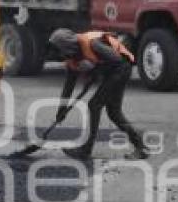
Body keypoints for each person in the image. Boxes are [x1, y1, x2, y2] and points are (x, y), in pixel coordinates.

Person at [48, 29, 148, 160]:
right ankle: (141, 146)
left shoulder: (93, 44)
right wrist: (61, 110)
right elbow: (68, 87)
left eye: (59, 50)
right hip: (113, 71)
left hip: (121, 68)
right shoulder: (72, 59)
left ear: (68, 46)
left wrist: (95, 71)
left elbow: (117, 60)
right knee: (114, 113)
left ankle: (86, 149)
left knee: (94, 105)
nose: (58, 55)